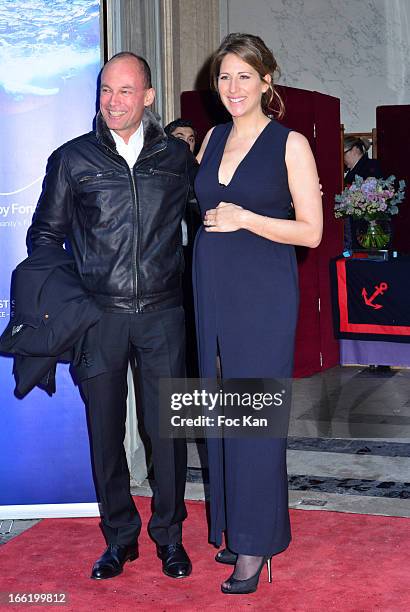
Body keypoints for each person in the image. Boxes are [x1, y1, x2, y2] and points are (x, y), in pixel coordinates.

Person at [26, 52, 193, 580]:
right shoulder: (72, 159)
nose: (113, 101)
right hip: (100, 319)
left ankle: (170, 537)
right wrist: (75, 302)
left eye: (125, 91)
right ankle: (119, 539)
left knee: (166, 434)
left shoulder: (176, 159)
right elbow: (44, 237)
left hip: (164, 315)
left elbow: (208, 223)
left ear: (147, 96)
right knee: (104, 433)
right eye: (105, 90)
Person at [193, 33, 322, 595]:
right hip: (209, 287)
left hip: (264, 293)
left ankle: (256, 543)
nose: (233, 87)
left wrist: (247, 219)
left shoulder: (290, 143)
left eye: (245, 76)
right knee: (217, 411)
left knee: (256, 415)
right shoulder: (211, 139)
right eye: (225, 76)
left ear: (267, 81)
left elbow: (312, 232)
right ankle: (230, 524)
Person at [343, 135, 383, 249]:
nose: (343, 159)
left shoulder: (371, 167)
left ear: (355, 149)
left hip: (368, 226)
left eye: (344, 154)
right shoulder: (351, 172)